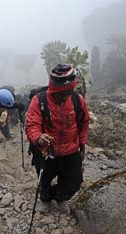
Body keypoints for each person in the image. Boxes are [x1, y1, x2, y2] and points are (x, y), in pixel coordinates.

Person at [25, 64, 90, 213]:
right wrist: (39, 137)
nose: (65, 96)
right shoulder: (38, 101)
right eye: (61, 93)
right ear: (54, 89)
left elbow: (83, 122)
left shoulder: (77, 100)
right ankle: (45, 199)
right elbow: (32, 125)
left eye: (68, 92)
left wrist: (82, 146)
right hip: (46, 150)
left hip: (71, 148)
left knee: (74, 181)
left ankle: (61, 198)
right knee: (44, 180)